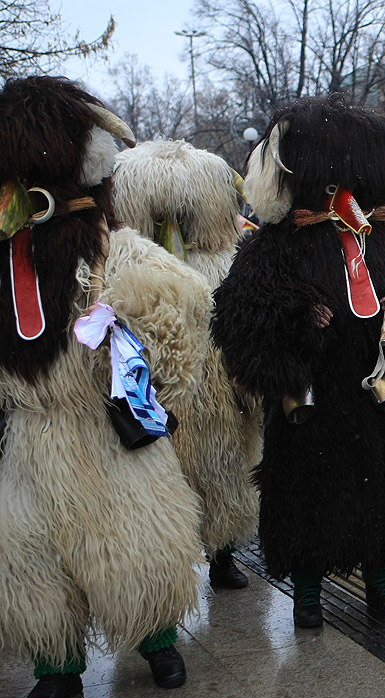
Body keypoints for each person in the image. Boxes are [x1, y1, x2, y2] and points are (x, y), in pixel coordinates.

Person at [0, 77, 210, 698]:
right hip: (31, 434)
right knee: (34, 560)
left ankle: (157, 641)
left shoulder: (116, 251)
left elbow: (182, 321)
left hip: (108, 428)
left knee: (135, 547)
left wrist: (149, 384)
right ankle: (56, 665)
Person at [212, 94, 385, 629]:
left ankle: (380, 580)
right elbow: (239, 319)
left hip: (378, 393)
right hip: (310, 398)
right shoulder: (275, 245)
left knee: (383, 487)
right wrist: (299, 318)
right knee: (305, 492)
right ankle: (307, 592)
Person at [111, 139, 261, 590]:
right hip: (152, 397)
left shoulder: (228, 260)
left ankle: (223, 554)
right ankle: (162, 573)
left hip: (217, 396)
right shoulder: (125, 261)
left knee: (222, 474)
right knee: (156, 486)